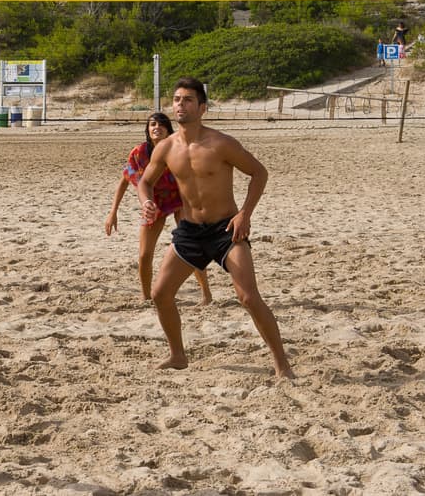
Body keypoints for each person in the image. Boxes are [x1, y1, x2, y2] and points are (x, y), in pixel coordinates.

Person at [137, 77, 294, 379]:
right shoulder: (167, 148)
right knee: (160, 293)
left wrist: (245, 214)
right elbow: (145, 181)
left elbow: (259, 173)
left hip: (226, 230)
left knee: (247, 296)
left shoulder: (221, 143)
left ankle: (282, 364)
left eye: (187, 100)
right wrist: (145, 201)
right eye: (176, 99)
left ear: (203, 107)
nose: (180, 105)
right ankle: (178, 355)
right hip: (190, 231)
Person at [105, 112, 211, 305]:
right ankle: (145, 296)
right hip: (153, 203)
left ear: (168, 130)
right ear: (147, 129)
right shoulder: (139, 153)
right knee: (145, 254)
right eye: (152, 124)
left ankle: (206, 295)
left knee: (190, 247)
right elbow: (124, 182)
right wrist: (113, 212)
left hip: (180, 199)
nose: (156, 127)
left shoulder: (177, 149)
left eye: (161, 124)